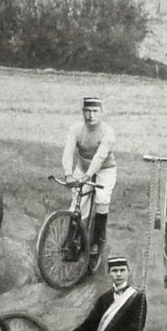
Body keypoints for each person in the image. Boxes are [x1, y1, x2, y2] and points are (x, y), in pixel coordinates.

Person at [61, 96, 116, 265]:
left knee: (102, 198)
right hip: (82, 167)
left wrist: (87, 177)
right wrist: (68, 174)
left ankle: (97, 242)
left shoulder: (108, 132)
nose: (90, 115)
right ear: (82, 112)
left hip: (105, 169)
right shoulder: (76, 129)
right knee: (78, 203)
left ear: (101, 112)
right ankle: (72, 242)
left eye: (94, 111)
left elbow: (100, 157)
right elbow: (68, 151)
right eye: (87, 111)